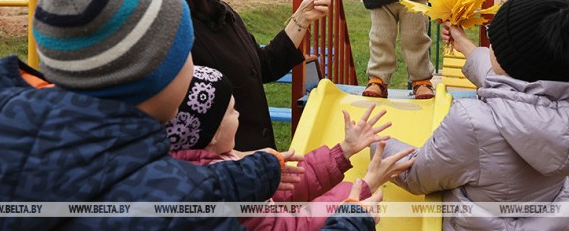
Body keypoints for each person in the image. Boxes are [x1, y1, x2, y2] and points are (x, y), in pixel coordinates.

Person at [0, 0, 372, 230]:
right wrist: (352, 219)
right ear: (153, 74)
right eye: (185, 55)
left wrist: (249, 175)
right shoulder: (180, 208)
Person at [374, 0, 569, 230]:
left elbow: (416, 176)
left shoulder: (474, 123)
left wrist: (376, 140)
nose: (489, 46)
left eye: (493, 41)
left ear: (509, 58)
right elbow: (512, 86)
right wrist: (464, 44)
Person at [148, 0, 333, 150]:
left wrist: (302, 18)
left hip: (253, 171)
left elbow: (263, 66)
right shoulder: (172, 33)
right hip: (227, 179)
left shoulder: (224, 14)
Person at [166, 64, 416, 230]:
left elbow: (285, 190)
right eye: (232, 109)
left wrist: (343, 151)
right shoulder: (222, 194)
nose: (239, 113)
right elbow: (290, 226)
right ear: (212, 132)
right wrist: (360, 193)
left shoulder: (216, 165)